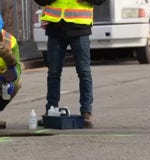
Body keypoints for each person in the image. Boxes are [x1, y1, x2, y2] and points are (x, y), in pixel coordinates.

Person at [34, 0, 106, 128]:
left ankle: (86, 113)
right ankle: (51, 111)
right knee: (54, 73)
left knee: (84, 72)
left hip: (80, 27)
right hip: (55, 28)